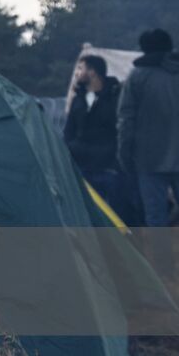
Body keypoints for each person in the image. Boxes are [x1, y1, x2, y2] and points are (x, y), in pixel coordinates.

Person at [119, 29, 179, 229]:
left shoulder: (138, 76)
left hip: (149, 160)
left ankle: (161, 261)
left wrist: (124, 155)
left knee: (155, 218)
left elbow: (126, 120)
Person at [63, 54, 134, 222]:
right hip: (83, 168)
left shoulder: (115, 97)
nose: (77, 73)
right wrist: (71, 149)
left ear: (92, 72)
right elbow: (69, 130)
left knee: (118, 215)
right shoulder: (78, 100)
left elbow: (121, 130)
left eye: (81, 69)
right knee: (89, 215)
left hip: (108, 168)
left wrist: (115, 159)